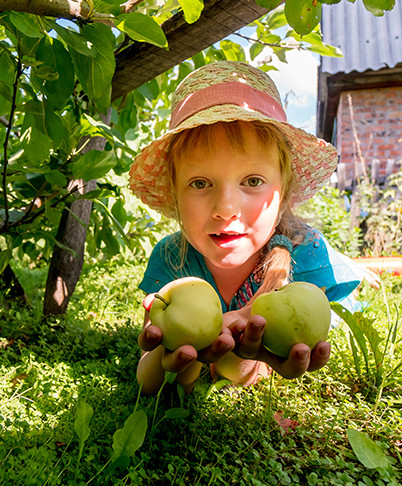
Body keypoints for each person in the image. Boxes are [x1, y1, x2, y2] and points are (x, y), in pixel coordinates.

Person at [129, 61, 368, 394]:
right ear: (174, 192)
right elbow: (148, 378)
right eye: (200, 183)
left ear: (283, 191)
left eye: (253, 181)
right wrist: (178, 359)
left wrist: (231, 350)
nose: (226, 209)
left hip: (322, 276)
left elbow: (251, 370)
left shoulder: (306, 252)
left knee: (368, 277)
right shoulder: (171, 259)